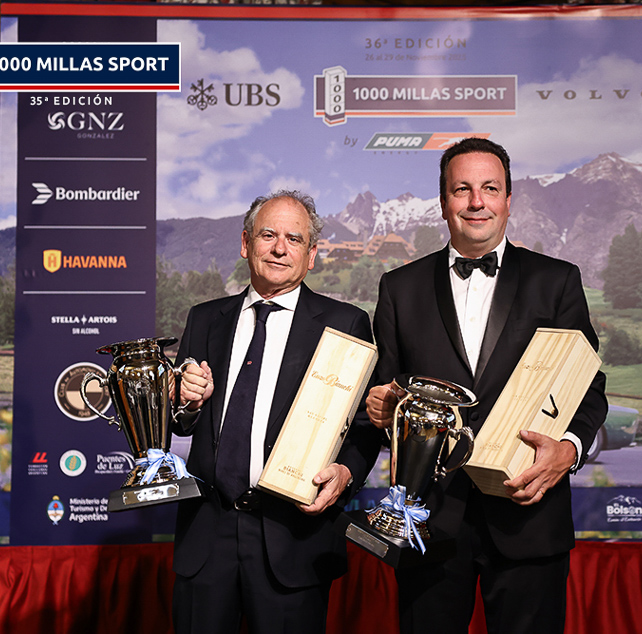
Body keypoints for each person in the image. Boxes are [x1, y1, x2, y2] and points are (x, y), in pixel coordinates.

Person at [365, 138, 608, 634]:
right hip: (428, 518)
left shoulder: (557, 280)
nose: (477, 202)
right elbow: (385, 392)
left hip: (528, 514)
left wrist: (569, 450)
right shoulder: (399, 287)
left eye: (490, 188)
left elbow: (589, 385)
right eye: (462, 189)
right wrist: (378, 407)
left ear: (508, 200)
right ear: (443, 202)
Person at [171, 190, 379, 634]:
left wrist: (345, 472)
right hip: (207, 536)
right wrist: (186, 401)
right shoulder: (204, 319)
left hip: (293, 539)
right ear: (246, 244)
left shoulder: (345, 323)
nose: (280, 248)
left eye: (294, 239)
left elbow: (364, 428)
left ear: (312, 254)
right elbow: (180, 423)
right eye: (268, 235)